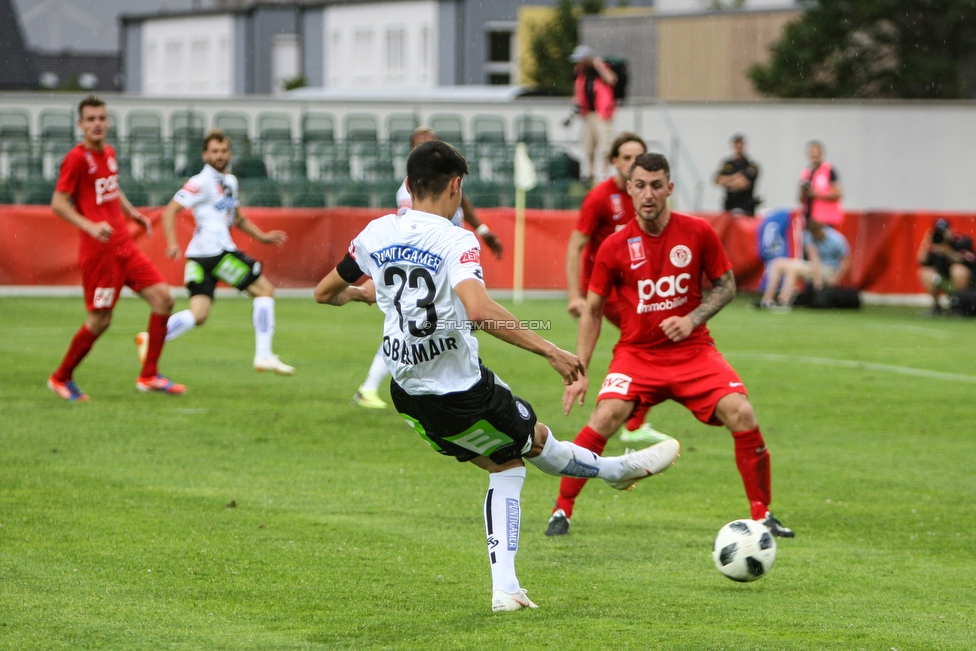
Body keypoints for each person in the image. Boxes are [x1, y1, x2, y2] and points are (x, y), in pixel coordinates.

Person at [313, 140, 680, 612]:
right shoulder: (455, 239)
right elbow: (481, 310)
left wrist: (364, 296)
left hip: (408, 392)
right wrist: (550, 350)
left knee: (515, 453)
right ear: (455, 186)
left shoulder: (375, 233)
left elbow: (325, 292)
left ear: (408, 184)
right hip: (463, 389)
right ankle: (606, 476)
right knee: (519, 455)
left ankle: (595, 489)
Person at [547, 153, 794, 540]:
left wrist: (692, 319)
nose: (648, 194)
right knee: (605, 418)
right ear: (629, 189)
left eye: (656, 185)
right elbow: (593, 311)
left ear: (669, 188)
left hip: (694, 351)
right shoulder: (613, 247)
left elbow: (727, 284)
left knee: (742, 413)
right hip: (637, 354)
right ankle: (562, 510)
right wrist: (579, 372)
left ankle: (762, 515)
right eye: (640, 185)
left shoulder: (697, 232)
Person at [352, 126, 503, 408]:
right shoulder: (409, 194)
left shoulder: (447, 183)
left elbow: (465, 204)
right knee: (419, 330)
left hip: (451, 263)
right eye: (423, 144)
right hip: (429, 269)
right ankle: (376, 387)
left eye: (434, 143)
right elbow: (410, 235)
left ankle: (442, 383)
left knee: (446, 327)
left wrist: (482, 229)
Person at [47, 95, 184, 401]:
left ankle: (148, 375)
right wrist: (90, 226)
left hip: (124, 246)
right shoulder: (76, 158)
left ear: (108, 122)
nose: (97, 124)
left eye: (101, 118)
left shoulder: (108, 152)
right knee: (101, 319)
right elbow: (58, 203)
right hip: (100, 252)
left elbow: (110, 186)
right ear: (80, 124)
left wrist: (131, 212)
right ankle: (60, 377)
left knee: (163, 299)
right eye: (91, 119)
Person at [155, 129, 294, 374]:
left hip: (199, 256)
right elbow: (170, 210)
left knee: (199, 314)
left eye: (224, 151)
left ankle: (152, 339)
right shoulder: (201, 181)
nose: (220, 155)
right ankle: (264, 355)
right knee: (265, 290)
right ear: (205, 155)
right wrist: (171, 243)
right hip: (215, 251)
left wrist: (262, 236)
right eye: (214, 151)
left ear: (229, 153)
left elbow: (237, 217)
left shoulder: (229, 181)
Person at [563, 131, 665, 447]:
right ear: (614, 162)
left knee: (652, 345)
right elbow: (575, 246)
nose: (633, 163)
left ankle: (628, 418)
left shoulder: (644, 196)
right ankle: (628, 422)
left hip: (634, 287)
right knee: (648, 344)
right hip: (604, 289)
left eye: (639, 157)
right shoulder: (599, 198)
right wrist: (574, 295)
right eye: (627, 158)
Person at [759, 219, 852, 308]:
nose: (816, 237)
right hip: (814, 266)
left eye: (818, 234)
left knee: (793, 269)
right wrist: (817, 279)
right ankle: (767, 300)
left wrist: (835, 278)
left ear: (823, 229)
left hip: (829, 269)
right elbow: (814, 258)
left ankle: (783, 301)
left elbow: (846, 262)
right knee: (777, 263)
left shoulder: (837, 239)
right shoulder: (809, 236)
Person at [569, 45, 617, 181]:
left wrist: (599, 65)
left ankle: (605, 172)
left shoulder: (600, 70)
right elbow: (579, 90)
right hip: (588, 114)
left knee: (605, 144)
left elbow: (611, 80)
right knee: (588, 144)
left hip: (602, 113)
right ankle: (590, 172)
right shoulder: (580, 73)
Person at [917, 218, 976, 316]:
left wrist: (947, 252)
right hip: (946, 280)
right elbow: (922, 261)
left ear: (951, 229)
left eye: (945, 231)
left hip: (969, 283)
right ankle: (936, 307)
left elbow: (966, 260)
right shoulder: (935, 245)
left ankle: (960, 306)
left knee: (957, 270)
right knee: (926, 272)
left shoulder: (962, 241)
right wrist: (926, 244)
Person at [799, 141, 843, 227]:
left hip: (826, 218)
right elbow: (801, 199)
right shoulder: (806, 172)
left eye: (817, 152)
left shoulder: (829, 169)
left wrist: (815, 194)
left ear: (822, 153)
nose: (814, 155)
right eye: (812, 152)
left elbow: (839, 193)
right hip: (809, 217)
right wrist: (803, 193)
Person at [713, 134, 759, 216]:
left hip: (746, 205)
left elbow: (744, 184)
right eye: (736, 144)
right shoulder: (728, 164)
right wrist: (734, 177)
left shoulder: (750, 166)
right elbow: (717, 180)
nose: (738, 146)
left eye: (740, 144)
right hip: (730, 204)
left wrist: (727, 182)